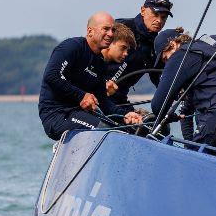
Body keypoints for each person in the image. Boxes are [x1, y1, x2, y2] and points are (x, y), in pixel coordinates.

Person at [38, 12, 142, 140]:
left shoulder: (100, 63)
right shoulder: (72, 47)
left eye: (113, 30)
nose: (110, 34)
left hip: (78, 115)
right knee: (106, 131)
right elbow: (51, 76)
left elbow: (104, 103)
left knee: (125, 131)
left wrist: (126, 115)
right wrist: (81, 95)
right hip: (57, 115)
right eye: (106, 29)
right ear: (90, 31)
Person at [107, 0, 173, 111]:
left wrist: (177, 90)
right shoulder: (121, 27)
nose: (159, 21)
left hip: (120, 99)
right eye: (155, 15)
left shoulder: (156, 45)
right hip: (97, 93)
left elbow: (159, 78)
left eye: (163, 18)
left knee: (144, 127)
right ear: (143, 10)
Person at [103, 24, 137, 98]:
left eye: (127, 50)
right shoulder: (89, 57)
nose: (126, 53)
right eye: (123, 48)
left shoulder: (119, 65)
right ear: (109, 42)